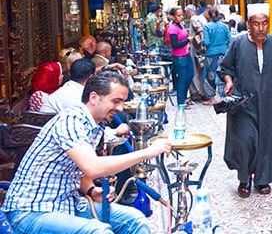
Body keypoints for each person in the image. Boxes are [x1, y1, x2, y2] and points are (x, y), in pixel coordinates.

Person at [2, 69, 172, 233]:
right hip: (30, 210)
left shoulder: (95, 126)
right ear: (93, 97)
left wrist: (91, 190)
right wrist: (147, 152)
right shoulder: (71, 119)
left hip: (67, 204)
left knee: (135, 219)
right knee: (98, 231)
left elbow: (78, 170)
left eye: (122, 102)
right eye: (116, 101)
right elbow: (92, 167)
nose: (120, 108)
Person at [218, 3, 272, 198]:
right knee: (246, 140)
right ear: (248, 24)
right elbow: (225, 68)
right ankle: (244, 178)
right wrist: (229, 82)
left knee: (265, 138)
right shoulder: (238, 43)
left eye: (264, 23)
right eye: (256, 24)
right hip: (243, 102)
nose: (260, 28)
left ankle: (262, 179)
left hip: (267, 103)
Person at [202, 6, 232, 102]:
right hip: (223, 53)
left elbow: (206, 42)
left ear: (209, 15)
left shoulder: (207, 26)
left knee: (210, 75)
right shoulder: (224, 26)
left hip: (211, 54)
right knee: (222, 73)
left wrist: (201, 41)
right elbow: (230, 40)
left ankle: (212, 98)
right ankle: (224, 96)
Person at [166, 7, 195, 106]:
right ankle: (181, 102)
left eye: (182, 15)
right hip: (179, 57)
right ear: (173, 17)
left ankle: (183, 97)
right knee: (182, 79)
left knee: (190, 75)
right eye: (179, 15)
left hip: (186, 54)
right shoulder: (172, 28)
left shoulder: (181, 26)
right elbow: (175, 45)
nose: (181, 17)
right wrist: (188, 40)